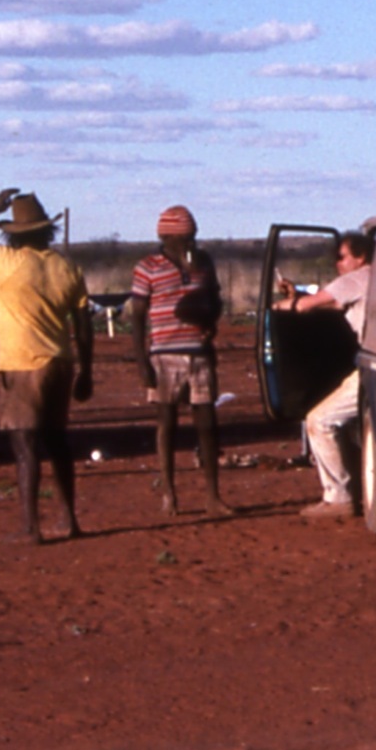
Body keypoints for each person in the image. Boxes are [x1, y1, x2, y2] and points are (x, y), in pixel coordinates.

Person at [0, 187, 93, 542]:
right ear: (47, 230)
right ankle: (68, 520)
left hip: (24, 364)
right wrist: (87, 372)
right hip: (61, 363)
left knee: (25, 444)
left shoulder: (6, 262)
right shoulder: (66, 267)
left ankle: (31, 527)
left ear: (13, 234)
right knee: (58, 443)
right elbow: (83, 327)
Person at [128, 204, 228, 516]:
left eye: (193, 237)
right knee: (167, 424)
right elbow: (137, 316)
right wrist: (142, 362)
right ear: (167, 238)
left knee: (207, 424)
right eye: (185, 238)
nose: (190, 243)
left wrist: (210, 321)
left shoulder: (203, 262)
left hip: (199, 351)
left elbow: (215, 300)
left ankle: (213, 496)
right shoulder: (148, 267)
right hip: (164, 354)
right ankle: (169, 494)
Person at [282, 231, 374, 523]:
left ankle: (339, 497)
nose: (338, 263)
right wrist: (298, 294)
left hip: (372, 367)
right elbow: (334, 303)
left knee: (319, 420)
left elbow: (306, 306)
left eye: (342, 257)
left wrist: (283, 306)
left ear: (360, 257)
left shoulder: (356, 279)